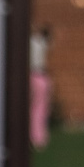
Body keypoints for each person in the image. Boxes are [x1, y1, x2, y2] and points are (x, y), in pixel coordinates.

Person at [30, 22, 53, 151]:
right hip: (38, 74)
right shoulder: (36, 42)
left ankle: (37, 136)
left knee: (38, 107)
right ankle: (37, 137)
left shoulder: (35, 41)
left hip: (36, 75)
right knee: (38, 108)